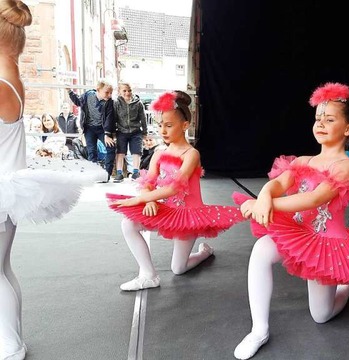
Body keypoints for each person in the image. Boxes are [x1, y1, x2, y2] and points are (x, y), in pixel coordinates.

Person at [231, 82, 349, 360]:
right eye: (317, 119)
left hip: (328, 242)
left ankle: (346, 288)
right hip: (298, 231)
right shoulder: (303, 160)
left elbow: (315, 199)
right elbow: (277, 183)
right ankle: (259, 329)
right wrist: (264, 195)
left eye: (329, 119)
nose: (320, 124)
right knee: (262, 250)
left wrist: (264, 204)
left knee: (321, 316)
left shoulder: (347, 167)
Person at [0, 2, 88, 358]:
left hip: (4, 189)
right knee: (2, 269)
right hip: (7, 189)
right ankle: (10, 340)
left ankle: (10, 345)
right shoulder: (11, 80)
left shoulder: (3, 85)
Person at [106, 91, 243, 291]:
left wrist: (140, 200)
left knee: (178, 268)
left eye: (169, 125)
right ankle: (148, 274)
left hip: (188, 215)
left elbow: (174, 187)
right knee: (128, 223)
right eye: (160, 125)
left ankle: (204, 252)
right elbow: (148, 181)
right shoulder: (159, 153)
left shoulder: (192, 154)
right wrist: (149, 200)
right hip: (167, 210)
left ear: (185, 125)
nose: (163, 130)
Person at [67, 79, 116, 181]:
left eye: (111, 93)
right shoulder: (88, 95)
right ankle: (93, 174)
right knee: (91, 151)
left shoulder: (109, 102)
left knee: (111, 147)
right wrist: (69, 91)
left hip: (103, 129)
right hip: (89, 128)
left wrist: (107, 134)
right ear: (98, 89)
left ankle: (107, 174)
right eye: (107, 92)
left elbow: (109, 118)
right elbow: (78, 102)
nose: (109, 95)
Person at [113, 82, 147, 182]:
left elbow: (143, 118)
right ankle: (119, 173)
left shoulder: (138, 103)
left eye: (129, 90)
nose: (127, 93)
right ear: (119, 91)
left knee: (136, 152)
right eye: (124, 91)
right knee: (120, 152)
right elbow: (114, 118)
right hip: (121, 131)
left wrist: (144, 131)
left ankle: (135, 172)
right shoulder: (116, 103)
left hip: (135, 131)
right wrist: (113, 132)